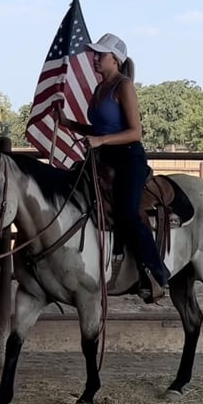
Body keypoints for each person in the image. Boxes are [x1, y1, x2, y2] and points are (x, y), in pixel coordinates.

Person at [56, 32, 170, 302]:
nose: (95, 59)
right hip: (102, 157)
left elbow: (135, 132)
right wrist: (70, 123)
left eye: (101, 55)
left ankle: (156, 271)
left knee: (127, 212)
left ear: (115, 60)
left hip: (128, 158)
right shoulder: (99, 89)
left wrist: (101, 140)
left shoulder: (123, 85)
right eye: (95, 54)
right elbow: (98, 127)